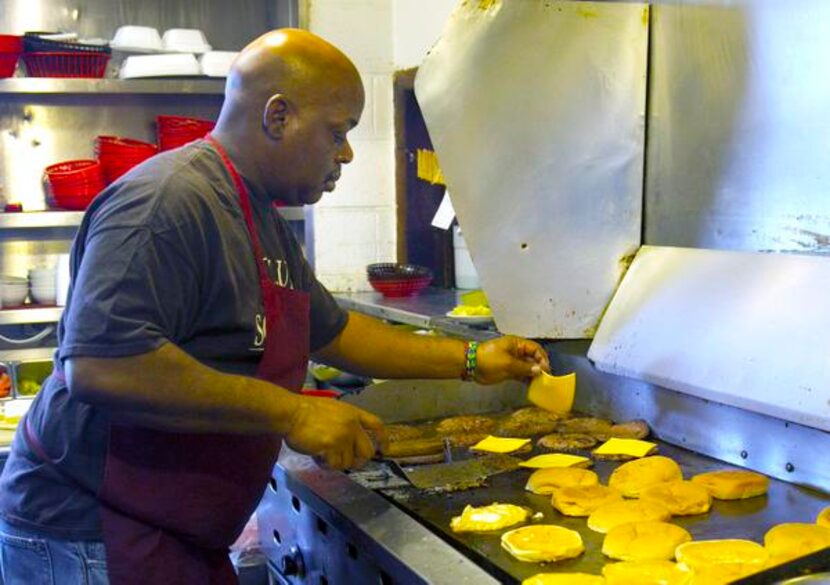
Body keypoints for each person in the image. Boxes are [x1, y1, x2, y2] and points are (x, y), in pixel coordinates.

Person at [0, 29, 549, 585]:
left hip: (173, 531)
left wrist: (477, 360)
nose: (347, 153)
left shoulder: (258, 212)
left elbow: (337, 333)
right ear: (278, 116)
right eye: (339, 131)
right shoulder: (167, 201)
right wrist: (294, 411)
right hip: (93, 534)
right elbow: (103, 366)